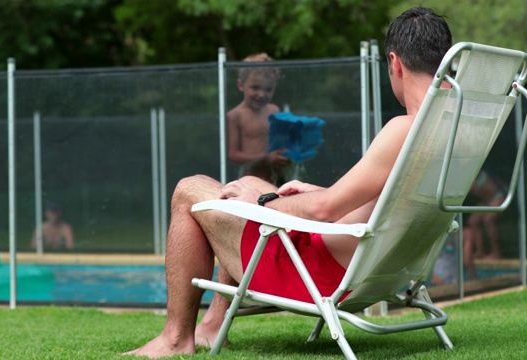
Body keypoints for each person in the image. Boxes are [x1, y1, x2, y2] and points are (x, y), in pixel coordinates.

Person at [124, 7, 452, 358]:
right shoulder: (452, 128)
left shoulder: (405, 128)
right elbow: (384, 204)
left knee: (189, 189)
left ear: (395, 63)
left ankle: (176, 338)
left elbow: (325, 211)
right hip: (383, 271)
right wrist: (304, 192)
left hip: (322, 277)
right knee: (249, 181)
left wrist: (260, 203)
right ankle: (212, 325)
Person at [227, 53, 291, 184]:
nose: (261, 94)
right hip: (251, 180)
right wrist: (266, 158)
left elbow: (281, 141)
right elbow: (233, 155)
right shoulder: (235, 115)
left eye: (268, 89)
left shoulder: (274, 110)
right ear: (241, 85)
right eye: (255, 87)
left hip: (277, 178)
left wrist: (289, 151)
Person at [462, 170, 507, 278]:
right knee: (473, 220)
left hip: (497, 197)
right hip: (487, 200)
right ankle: (480, 251)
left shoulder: (478, 174)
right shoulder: (470, 177)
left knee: (488, 220)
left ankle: (496, 252)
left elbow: (468, 190)